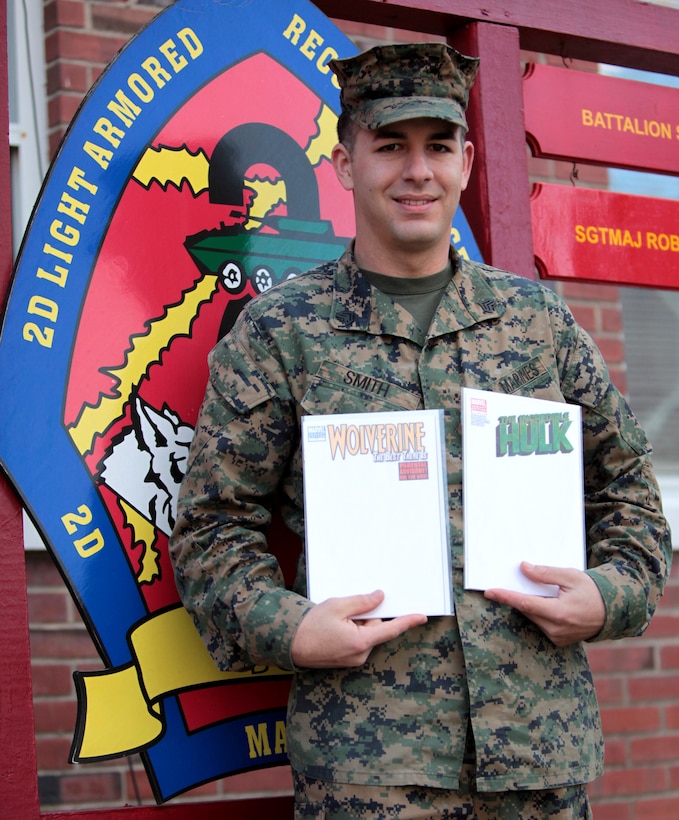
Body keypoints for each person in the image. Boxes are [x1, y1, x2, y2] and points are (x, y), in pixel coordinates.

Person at [169, 42, 672, 818]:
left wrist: (608, 596)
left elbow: (629, 494)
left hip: (537, 757)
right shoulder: (283, 332)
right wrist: (289, 629)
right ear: (343, 163)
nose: (416, 171)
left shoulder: (536, 323)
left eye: (437, 146)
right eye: (389, 146)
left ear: (466, 162)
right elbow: (212, 524)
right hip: (369, 768)